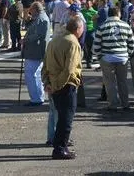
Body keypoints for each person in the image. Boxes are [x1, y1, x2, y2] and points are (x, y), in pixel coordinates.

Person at [42, 15, 84, 160]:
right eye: (82, 28)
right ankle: (60, 148)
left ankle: (60, 146)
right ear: (78, 29)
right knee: (66, 119)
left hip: (53, 82)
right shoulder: (72, 42)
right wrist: (57, 86)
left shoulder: (54, 40)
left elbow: (45, 63)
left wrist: (47, 83)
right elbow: (69, 69)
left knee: (60, 117)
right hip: (65, 85)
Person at [93, 6, 134, 111]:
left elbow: (97, 44)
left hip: (107, 57)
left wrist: (99, 56)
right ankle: (125, 103)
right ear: (118, 14)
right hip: (122, 57)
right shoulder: (126, 25)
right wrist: (128, 54)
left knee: (110, 83)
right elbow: (131, 43)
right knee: (123, 81)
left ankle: (113, 104)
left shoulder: (102, 26)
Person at [21, 2, 51, 105]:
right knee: (36, 75)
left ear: (35, 10)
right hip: (36, 50)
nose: (30, 12)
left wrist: (26, 40)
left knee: (31, 75)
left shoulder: (41, 19)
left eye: (31, 10)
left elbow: (38, 35)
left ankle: (35, 98)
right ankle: (38, 97)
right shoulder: (41, 18)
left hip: (35, 51)